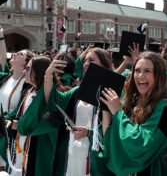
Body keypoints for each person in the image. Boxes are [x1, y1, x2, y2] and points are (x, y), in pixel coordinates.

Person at [18, 48, 115, 176]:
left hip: (94, 158)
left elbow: (112, 131)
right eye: (85, 60)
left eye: (91, 60)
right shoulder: (77, 92)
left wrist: (88, 133)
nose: (85, 64)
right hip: (72, 154)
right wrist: (48, 75)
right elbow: (53, 100)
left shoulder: (111, 94)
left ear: (104, 64)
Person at [99, 52, 167, 176]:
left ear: (158, 75)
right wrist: (106, 107)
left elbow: (142, 145)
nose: (140, 76)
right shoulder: (133, 100)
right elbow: (112, 139)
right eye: (137, 71)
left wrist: (117, 111)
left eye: (147, 71)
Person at [0, 56, 64, 176]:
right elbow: (18, 112)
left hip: (36, 146)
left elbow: (40, 115)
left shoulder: (46, 94)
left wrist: (48, 75)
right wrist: (7, 119)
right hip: (20, 143)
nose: (24, 71)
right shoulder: (29, 90)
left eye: (28, 68)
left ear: (39, 71)